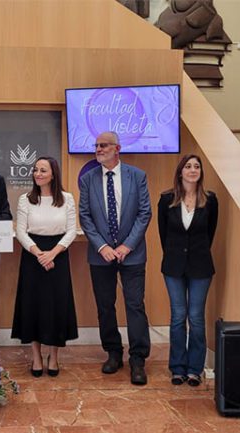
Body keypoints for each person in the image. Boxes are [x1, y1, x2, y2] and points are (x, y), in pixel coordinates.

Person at [78, 131, 152, 386]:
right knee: (105, 306)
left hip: (132, 254)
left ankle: (138, 359)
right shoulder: (88, 179)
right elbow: (85, 216)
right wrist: (102, 247)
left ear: (117, 148)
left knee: (135, 305)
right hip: (101, 256)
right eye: (97, 145)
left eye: (104, 145)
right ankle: (113, 353)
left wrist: (126, 246)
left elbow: (145, 213)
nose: (98, 149)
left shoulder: (137, 176)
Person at [11, 156, 78, 377]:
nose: (37, 174)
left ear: (53, 174)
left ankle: (54, 357)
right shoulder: (26, 199)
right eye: (35, 170)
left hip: (58, 254)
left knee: (57, 307)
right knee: (34, 307)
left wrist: (52, 254)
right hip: (33, 255)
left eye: (43, 170)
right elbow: (20, 231)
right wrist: (39, 254)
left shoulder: (67, 199)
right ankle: (37, 357)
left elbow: (71, 230)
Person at [158, 154, 218, 387]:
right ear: (180, 171)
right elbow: (163, 235)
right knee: (177, 317)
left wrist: (195, 253)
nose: (193, 170)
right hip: (173, 266)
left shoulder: (210, 200)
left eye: (197, 167)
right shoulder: (166, 199)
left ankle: (194, 368)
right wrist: (176, 254)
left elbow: (210, 233)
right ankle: (177, 368)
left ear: (201, 172)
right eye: (188, 166)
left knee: (196, 317)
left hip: (201, 266)